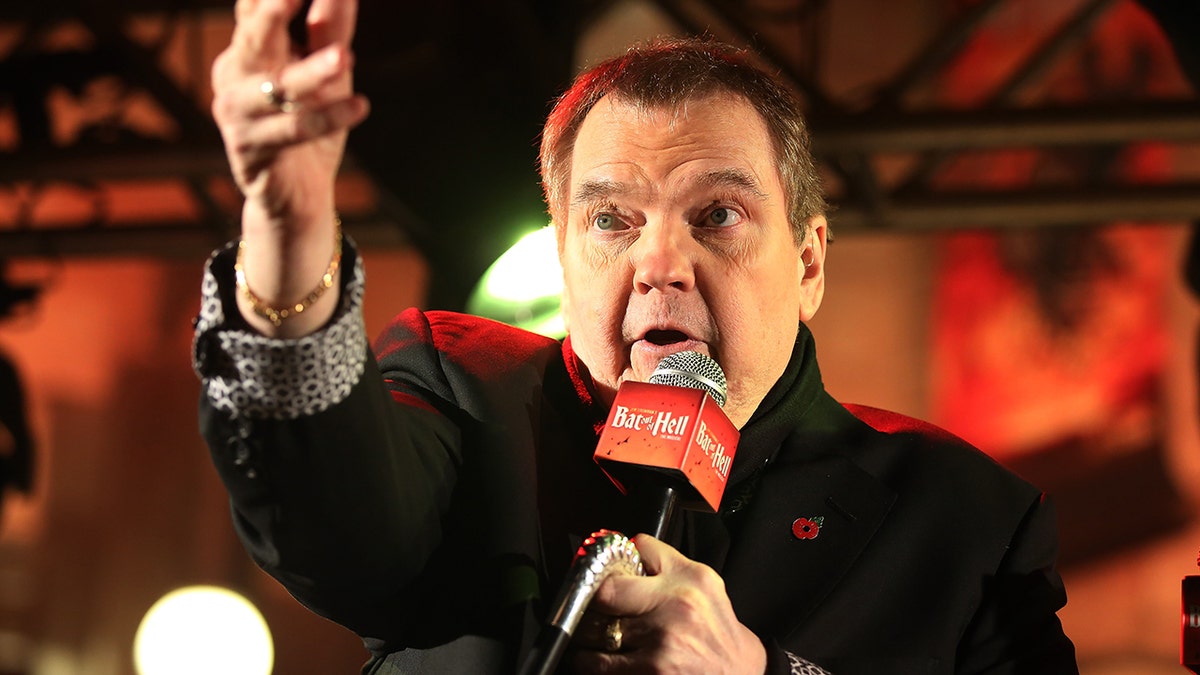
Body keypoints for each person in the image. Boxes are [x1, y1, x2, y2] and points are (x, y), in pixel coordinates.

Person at [194, 0, 1080, 672]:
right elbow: (325, 515)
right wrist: (289, 221)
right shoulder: (463, 396)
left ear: (809, 263)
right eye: (612, 220)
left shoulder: (964, 524)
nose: (661, 262)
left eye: (718, 213)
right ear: (566, 259)